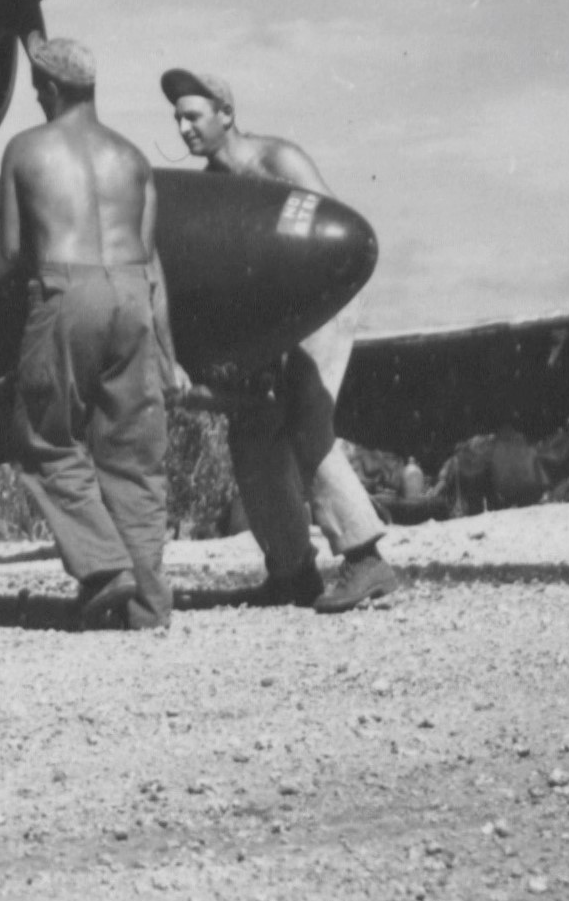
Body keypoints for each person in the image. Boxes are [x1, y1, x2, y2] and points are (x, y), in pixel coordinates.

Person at [157, 68, 405, 613]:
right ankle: (291, 571)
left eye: (193, 116)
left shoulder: (278, 160)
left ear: (226, 113)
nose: (183, 129)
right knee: (252, 431)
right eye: (177, 119)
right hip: (272, 317)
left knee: (304, 415)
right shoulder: (213, 188)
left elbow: (332, 245)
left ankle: (366, 558)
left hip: (324, 300)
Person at [0, 36, 177, 630]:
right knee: (132, 455)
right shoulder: (134, 158)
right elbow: (151, 262)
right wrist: (169, 355)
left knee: (44, 436)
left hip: (66, 289)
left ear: (49, 90)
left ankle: (102, 567)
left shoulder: (26, 149)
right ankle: (149, 607)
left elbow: (11, 250)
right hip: (133, 293)